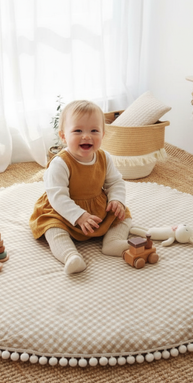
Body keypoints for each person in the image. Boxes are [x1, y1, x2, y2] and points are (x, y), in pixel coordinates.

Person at [29, 100, 132, 274]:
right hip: (63, 210)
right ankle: (70, 256)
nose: (86, 136)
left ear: (103, 135)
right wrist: (79, 216)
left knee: (123, 216)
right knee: (52, 228)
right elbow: (58, 196)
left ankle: (112, 241)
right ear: (63, 136)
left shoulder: (104, 157)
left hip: (97, 208)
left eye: (94, 131)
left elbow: (115, 182)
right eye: (78, 131)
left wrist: (116, 200)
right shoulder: (60, 163)